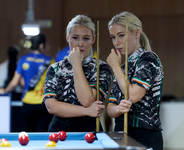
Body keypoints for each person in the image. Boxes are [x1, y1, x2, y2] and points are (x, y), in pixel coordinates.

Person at [43, 15, 112, 132]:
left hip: (89, 130)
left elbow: (87, 100)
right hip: (58, 130)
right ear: (67, 37)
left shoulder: (103, 68)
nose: (80, 44)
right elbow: (51, 106)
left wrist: (76, 65)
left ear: (93, 39)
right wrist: (86, 111)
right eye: (75, 38)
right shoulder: (55, 68)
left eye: (86, 38)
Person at [106, 11, 164, 150]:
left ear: (137, 33)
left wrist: (115, 66)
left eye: (121, 35)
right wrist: (119, 108)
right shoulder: (122, 66)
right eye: (113, 37)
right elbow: (110, 108)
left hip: (145, 134)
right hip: (120, 133)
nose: (116, 42)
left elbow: (133, 95)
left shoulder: (148, 58)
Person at [0, 33, 54, 132]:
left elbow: (15, 83)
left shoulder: (23, 59)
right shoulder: (51, 61)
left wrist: (5, 91)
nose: (48, 46)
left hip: (27, 103)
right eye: (47, 44)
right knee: (43, 135)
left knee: (29, 134)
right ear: (42, 45)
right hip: (45, 104)